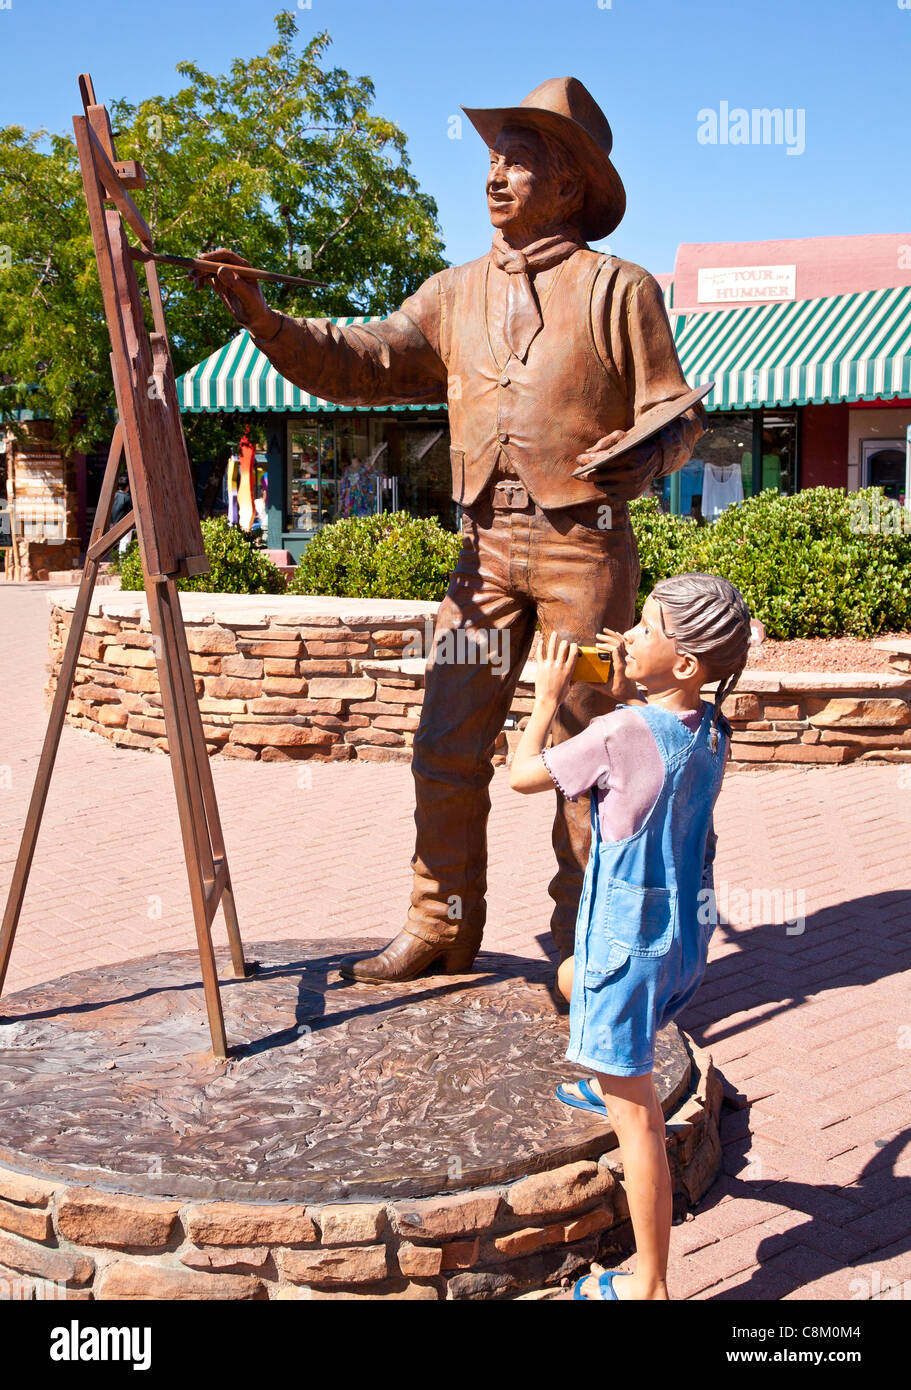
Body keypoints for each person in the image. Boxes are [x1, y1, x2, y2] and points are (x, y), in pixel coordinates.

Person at [194, 76, 707, 984]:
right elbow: (364, 360)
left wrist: (651, 454)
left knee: (582, 752)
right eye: (492, 160)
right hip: (483, 556)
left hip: (582, 555)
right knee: (443, 743)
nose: (496, 176)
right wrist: (265, 321)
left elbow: (675, 411)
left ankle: (582, 947)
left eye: (520, 161)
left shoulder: (619, 289)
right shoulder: (452, 293)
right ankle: (441, 922)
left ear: (569, 187)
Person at [510, 573, 754, 1301]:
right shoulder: (709, 726)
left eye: (645, 629)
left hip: (624, 949)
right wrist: (631, 674)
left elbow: (522, 777)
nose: (629, 636)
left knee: (638, 1128)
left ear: (683, 664)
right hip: (678, 942)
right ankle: (610, 1070)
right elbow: (649, 750)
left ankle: (648, 1283)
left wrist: (546, 699)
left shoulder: (617, 732)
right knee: (566, 980)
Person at [110, 477, 133, 555]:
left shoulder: (113, 496)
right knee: (125, 544)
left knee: (114, 545)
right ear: (127, 486)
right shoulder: (128, 498)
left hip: (113, 524)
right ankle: (122, 562)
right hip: (125, 525)